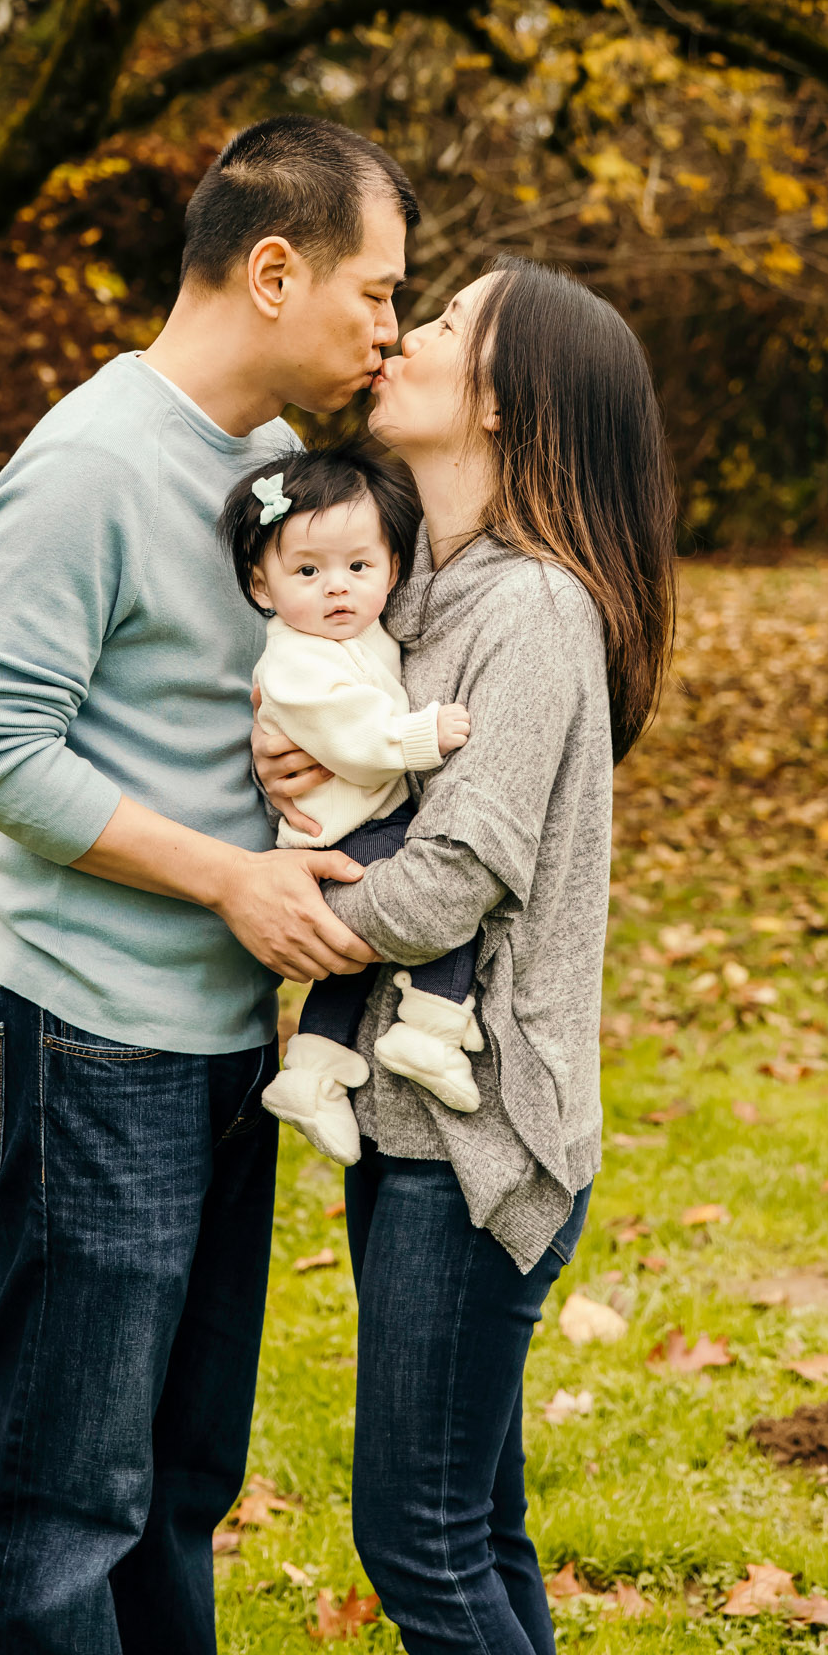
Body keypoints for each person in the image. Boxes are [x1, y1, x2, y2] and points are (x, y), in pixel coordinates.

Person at [0, 115, 417, 1655]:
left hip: (214, 1044)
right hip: (82, 1040)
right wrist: (228, 876)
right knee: (70, 1501)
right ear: (275, 270)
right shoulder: (88, 463)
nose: (393, 332)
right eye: (379, 294)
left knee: (179, 1484)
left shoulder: (272, 477)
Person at [256, 259, 676, 1655]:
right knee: (475, 1530)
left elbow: (448, 882)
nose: (403, 335)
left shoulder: (535, 610)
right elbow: (368, 776)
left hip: (480, 1139)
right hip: (412, 1122)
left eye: (439, 326)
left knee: (418, 1541)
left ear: (500, 395)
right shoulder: (416, 587)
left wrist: (274, 906)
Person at [216, 442, 484, 1167]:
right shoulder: (295, 659)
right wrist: (419, 736)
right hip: (340, 832)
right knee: (441, 903)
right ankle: (428, 1029)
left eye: (358, 568)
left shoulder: (360, 633)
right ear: (262, 586)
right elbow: (351, 734)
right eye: (308, 571)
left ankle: (310, 1075)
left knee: (352, 969)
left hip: (357, 821)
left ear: (391, 569)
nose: (336, 588)